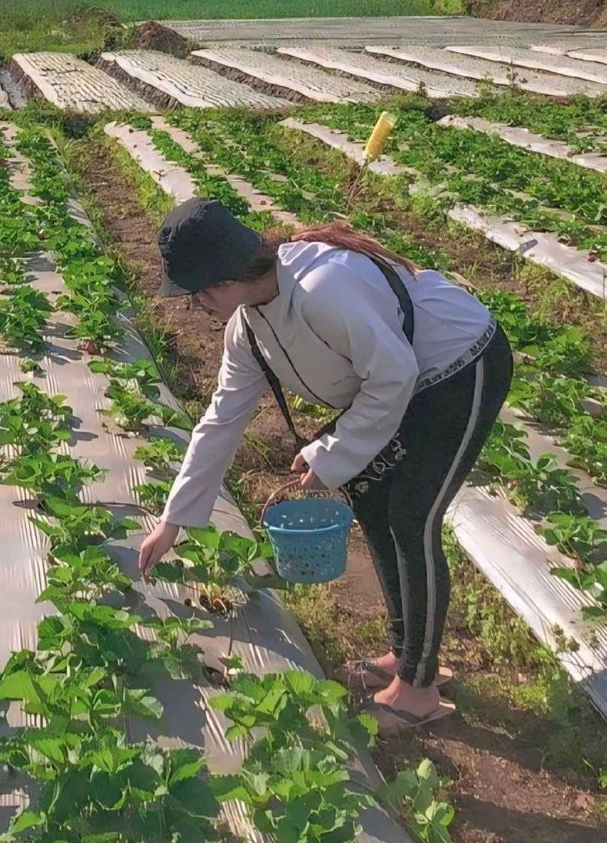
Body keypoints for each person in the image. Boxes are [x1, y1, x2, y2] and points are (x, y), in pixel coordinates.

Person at [137, 198, 513, 731]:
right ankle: (405, 654)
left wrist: (331, 454)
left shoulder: (323, 290)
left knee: (412, 517)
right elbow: (221, 419)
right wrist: (173, 520)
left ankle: (419, 688)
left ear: (217, 284)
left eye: (194, 297)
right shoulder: (248, 328)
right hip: (400, 378)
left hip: (459, 364)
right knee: (372, 502)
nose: (197, 308)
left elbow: (393, 377)